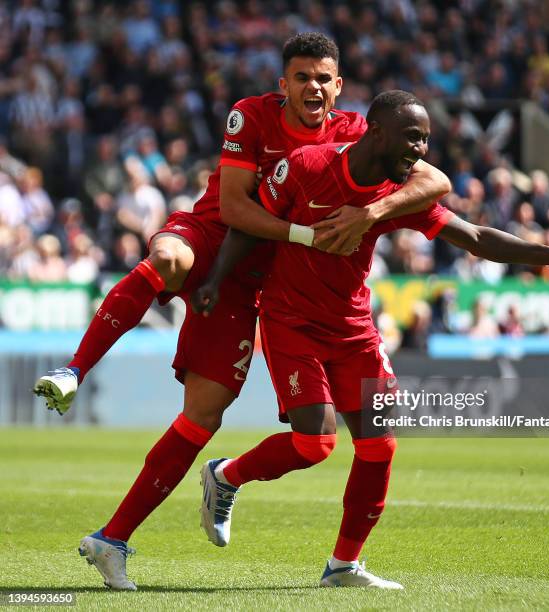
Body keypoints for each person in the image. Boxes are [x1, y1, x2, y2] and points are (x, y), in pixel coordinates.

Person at [33, 34, 451, 590]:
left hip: (258, 279)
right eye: (301, 77)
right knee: (168, 257)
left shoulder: (358, 134)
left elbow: (435, 182)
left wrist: (367, 213)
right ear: (283, 85)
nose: (313, 87)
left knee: (204, 416)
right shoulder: (250, 116)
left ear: (339, 87)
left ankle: (111, 540)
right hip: (215, 237)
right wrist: (307, 233)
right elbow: (233, 207)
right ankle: (73, 370)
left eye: (323, 78)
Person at [193, 90, 549, 589]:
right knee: (315, 444)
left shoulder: (397, 195)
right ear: (376, 133)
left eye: (425, 139)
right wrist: (215, 281)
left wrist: (547, 254)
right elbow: (248, 225)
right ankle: (225, 476)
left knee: (379, 446)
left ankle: (343, 566)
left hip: (354, 328)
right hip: (291, 320)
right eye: (412, 137)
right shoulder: (308, 166)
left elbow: (475, 238)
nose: (420, 149)